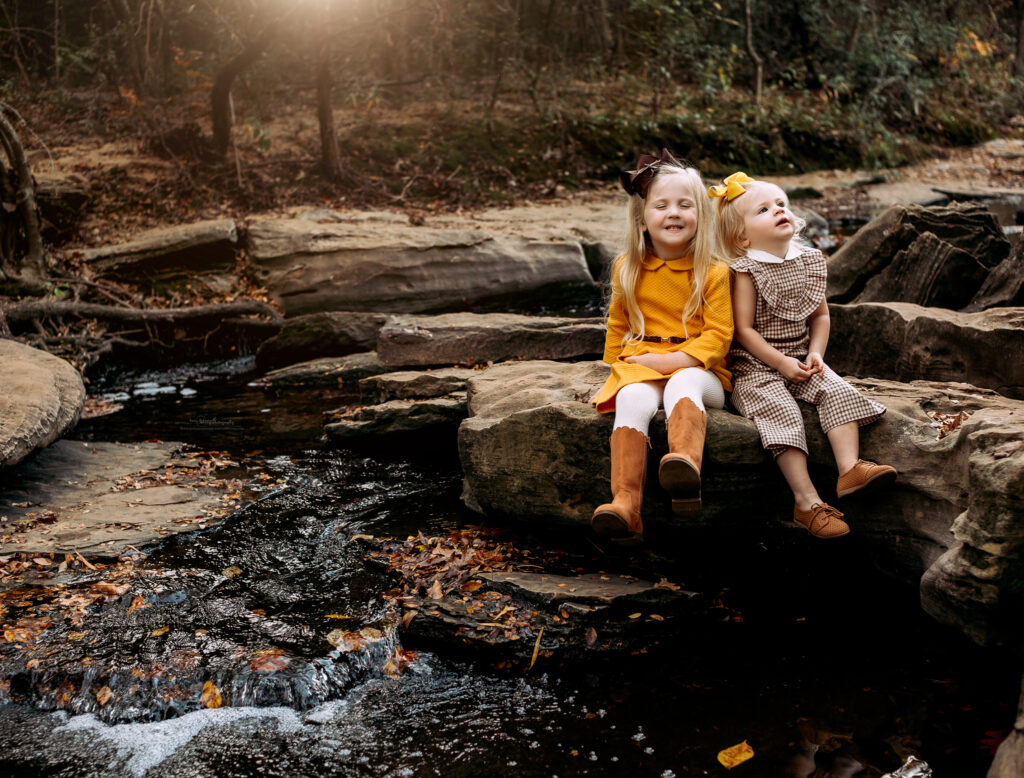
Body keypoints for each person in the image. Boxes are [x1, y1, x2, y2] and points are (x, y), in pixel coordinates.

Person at [712, 171, 896, 539]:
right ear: (743, 236)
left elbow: (821, 316)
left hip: (801, 356)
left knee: (837, 390)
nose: (779, 210)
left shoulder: (808, 261)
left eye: (782, 203)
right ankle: (806, 500)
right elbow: (743, 330)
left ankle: (850, 469)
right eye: (764, 209)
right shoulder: (746, 270)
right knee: (781, 411)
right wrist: (779, 363)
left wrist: (816, 355)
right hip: (757, 367)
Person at [590, 150, 734, 543]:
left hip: (701, 372)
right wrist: (615, 368)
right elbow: (618, 324)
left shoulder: (713, 271)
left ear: (701, 216)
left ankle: (684, 463)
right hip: (643, 365)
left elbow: (719, 336)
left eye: (685, 205)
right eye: (662, 205)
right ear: (641, 218)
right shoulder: (627, 267)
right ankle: (626, 504)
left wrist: (670, 359)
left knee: (681, 383)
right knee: (632, 397)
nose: (674, 213)